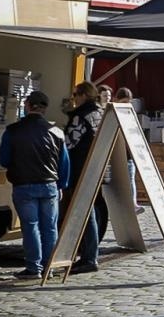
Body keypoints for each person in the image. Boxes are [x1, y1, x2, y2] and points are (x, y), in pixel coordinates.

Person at [0, 91, 69, 279]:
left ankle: (33, 267)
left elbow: (4, 160)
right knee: (50, 227)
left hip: (23, 185)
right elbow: (64, 163)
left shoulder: (12, 130)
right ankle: (49, 266)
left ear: (27, 105)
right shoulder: (56, 132)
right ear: (45, 108)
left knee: (30, 227)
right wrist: (61, 184)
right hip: (49, 185)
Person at [62, 81, 107, 273]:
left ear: (82, 95)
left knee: (85, 212)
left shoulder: (81, 117)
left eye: (75, 95)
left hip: (81, 168)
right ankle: (90, 254)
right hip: (97, 167)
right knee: (93, 210)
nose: (74, 99)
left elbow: (70, 143)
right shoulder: (100, 113)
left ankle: (89, 256)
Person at [113, 87, 144, 215]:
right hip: (116, 154)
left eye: (128, 102)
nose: (126, 105)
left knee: (130, 178)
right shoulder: (113, 114)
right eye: (123, 102)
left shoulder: (131, 115)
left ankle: (133, 203)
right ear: (116, 100)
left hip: (128, 155)